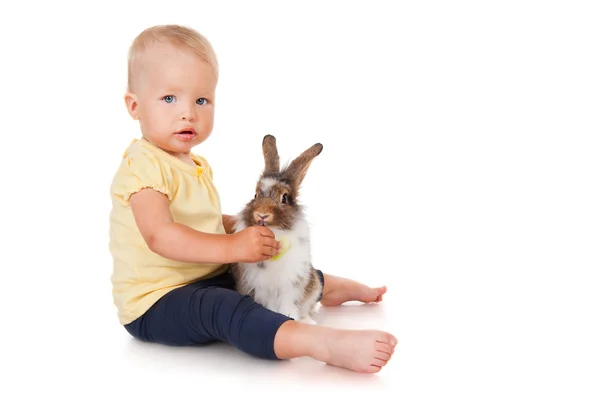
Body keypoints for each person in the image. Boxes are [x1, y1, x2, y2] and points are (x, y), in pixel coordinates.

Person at [109, 24, 397, 373]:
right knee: (222, 309)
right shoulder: (143, 165)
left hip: (204, 274)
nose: (188, 113)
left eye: (201, 100)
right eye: (169, 98)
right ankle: (321, 343)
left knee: (276, 273)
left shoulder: (195, 164)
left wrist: (238, 227)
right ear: (134, 106)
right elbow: (161, 235)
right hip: (156, 302)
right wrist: (233, 247)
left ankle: (342, 289)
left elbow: (202, 222)